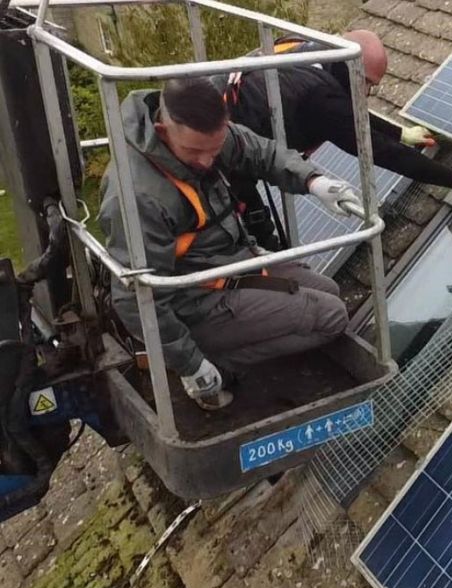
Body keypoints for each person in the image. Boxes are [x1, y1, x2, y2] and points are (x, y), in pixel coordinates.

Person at [99, 77, 360, 410]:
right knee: (332, 316)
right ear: (163, 130)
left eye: (215, 149)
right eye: (195, 152)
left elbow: (260, 152)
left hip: (231, 261)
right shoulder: (137, 197)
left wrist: (313, 180)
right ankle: (214, 363)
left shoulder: (206, 135)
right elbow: (134, 297)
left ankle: (234, 338)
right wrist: (190, 364)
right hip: (193, 302)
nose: (208, 161)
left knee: (330, 290)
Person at [218, 29, 452, 249]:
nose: (366, 94)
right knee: (254, 234)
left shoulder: (305, 48)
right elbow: (384, 152)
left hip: (217, 113)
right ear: (348, 67)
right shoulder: (320, 97)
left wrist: (401, 132)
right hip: (220, 160)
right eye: (367, 84)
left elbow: (348, 113)